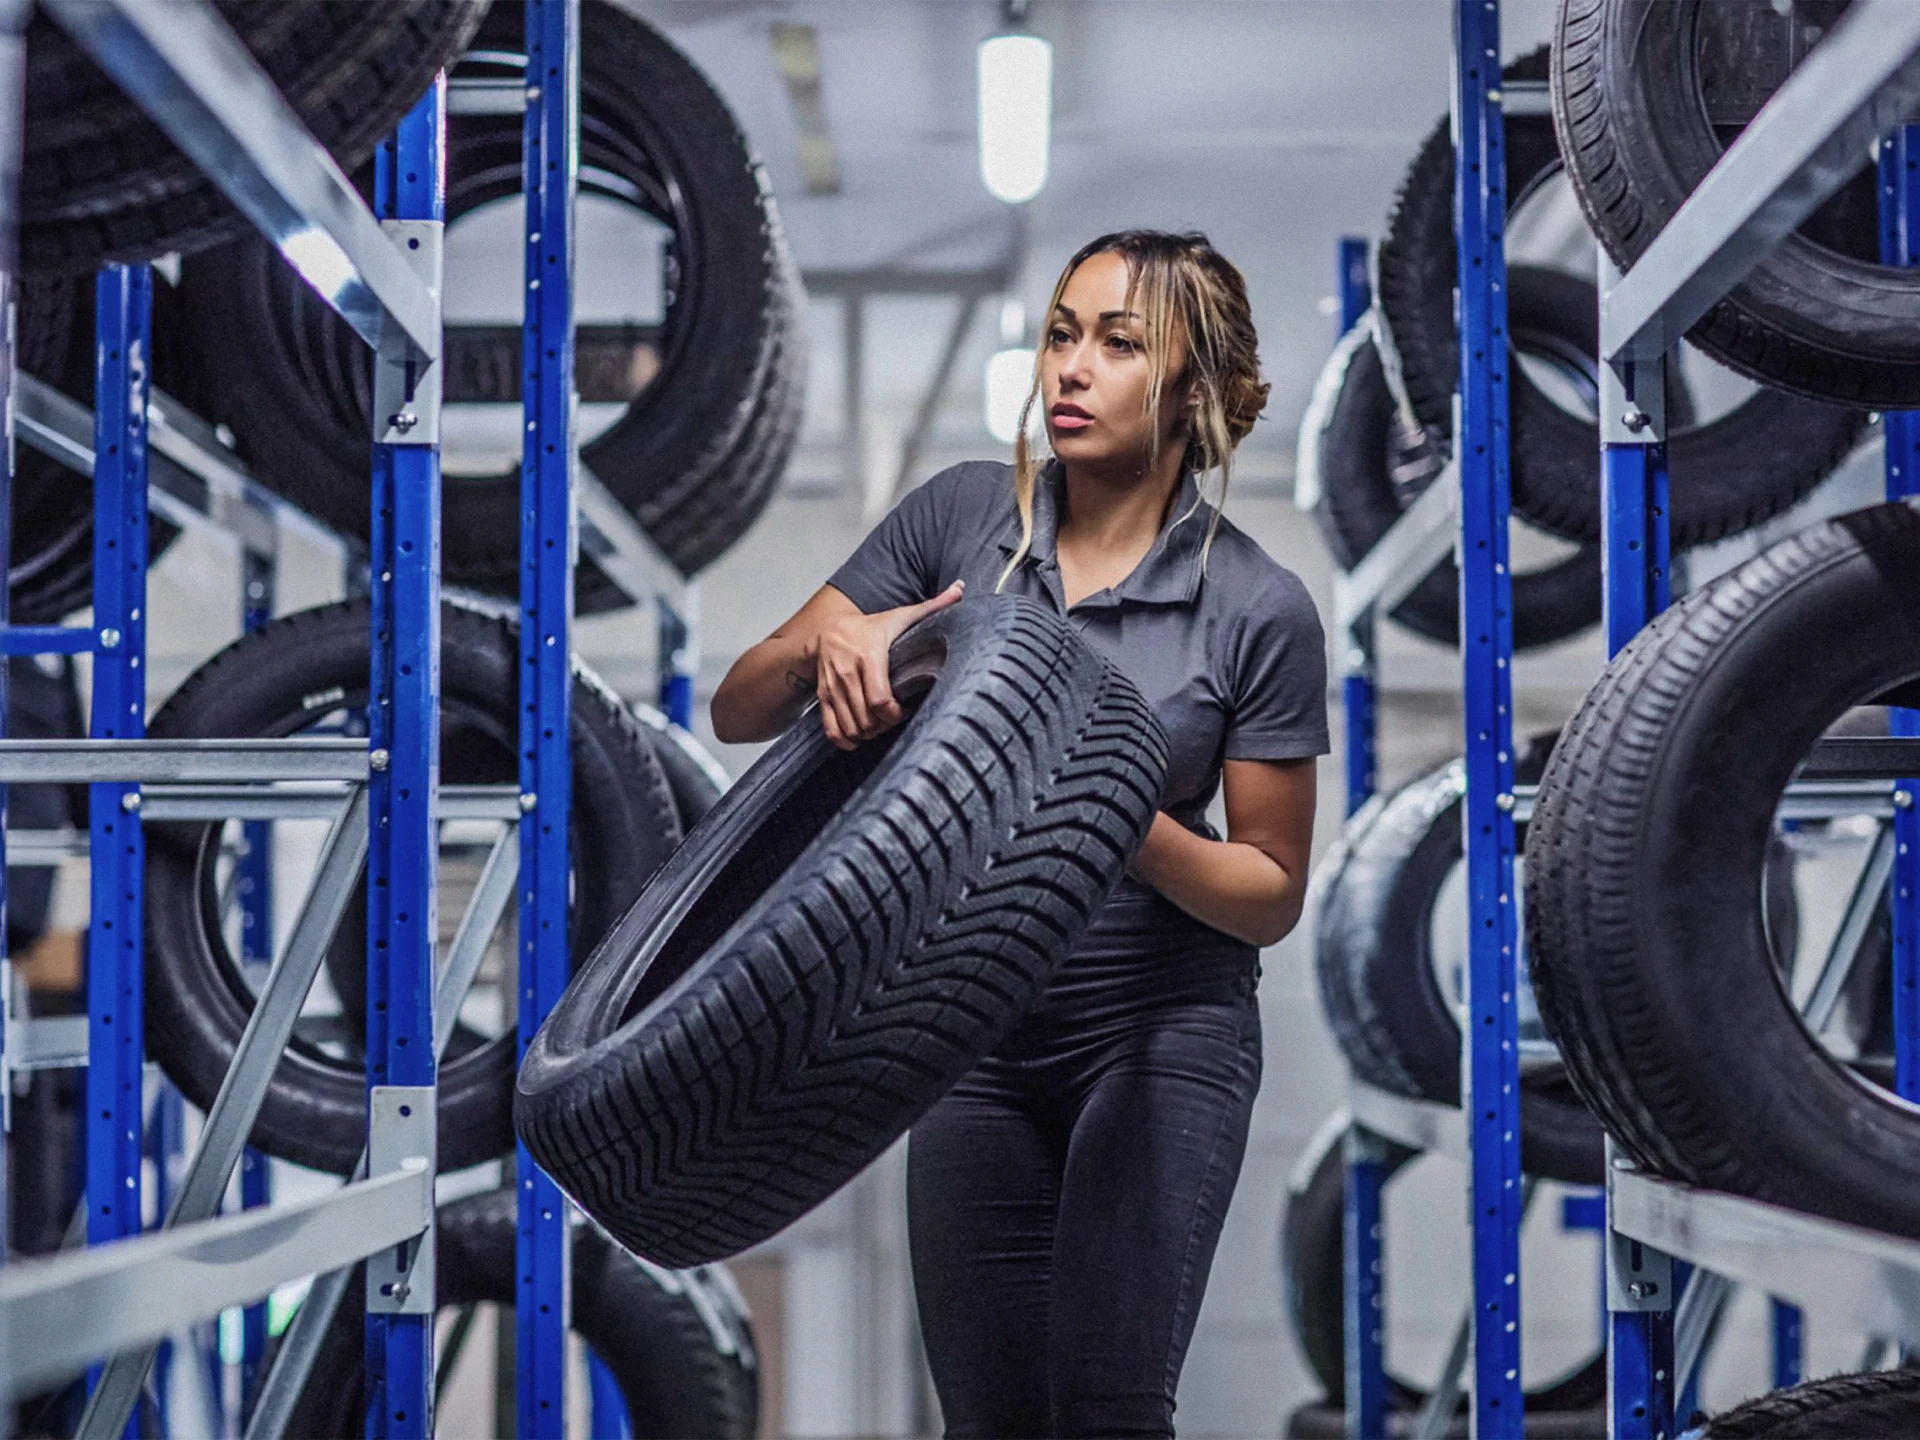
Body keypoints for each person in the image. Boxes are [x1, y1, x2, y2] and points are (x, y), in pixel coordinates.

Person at [712, 229, 1327, 1438]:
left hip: (1157, 1025)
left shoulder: (1256, 605)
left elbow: (1269, 888)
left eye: (1116, 343)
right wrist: (832, 645)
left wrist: (1103, 807)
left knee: (1105, 1408)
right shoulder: (959, 525)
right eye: (1059, 335)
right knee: (987, 1420)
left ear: (1192, 387)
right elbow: (741, 707)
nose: (1070, 370)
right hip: (969, 1023)